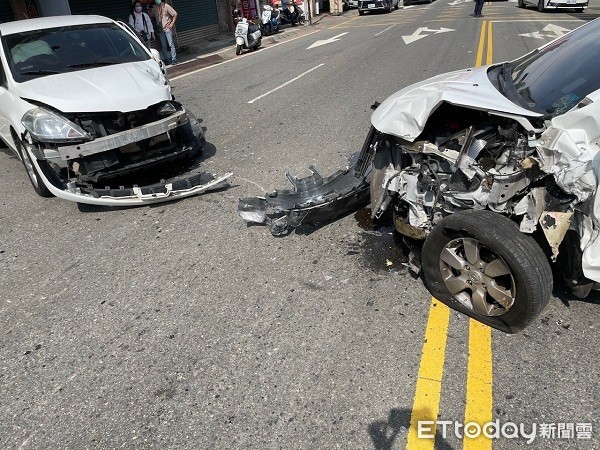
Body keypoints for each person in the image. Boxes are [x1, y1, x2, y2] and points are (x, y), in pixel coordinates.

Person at [152, 0, 178, 65]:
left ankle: (174, 59)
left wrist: (172, 23)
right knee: (163, 46)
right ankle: (166, 59)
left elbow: (175, 14)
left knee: (171, 44)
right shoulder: (154, 7)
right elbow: (152, 15)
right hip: (160, 29)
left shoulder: (166, 6)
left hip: (167, 28)